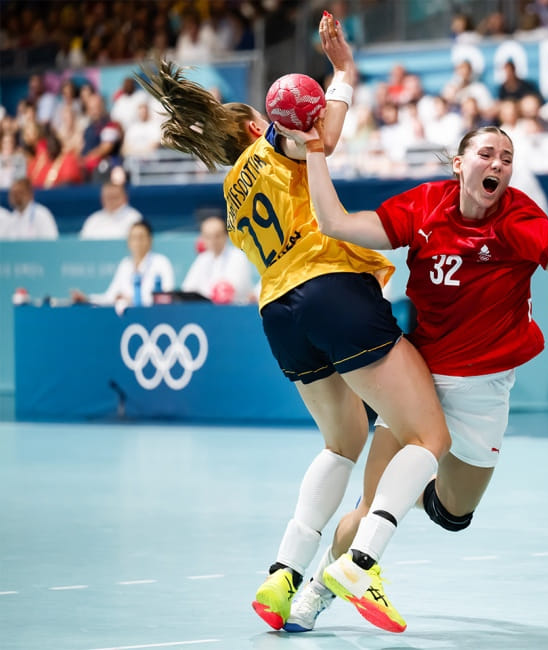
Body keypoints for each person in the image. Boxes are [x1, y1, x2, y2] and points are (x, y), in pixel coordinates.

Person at [138, 12, 451, 635]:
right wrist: (342, 71)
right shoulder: (272, 145)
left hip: (279, 314)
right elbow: (318, 130)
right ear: (258, 127)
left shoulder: (232, 191)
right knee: (428, 437)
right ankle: (362, 562)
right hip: (330, 289)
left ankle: (283, 573)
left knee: (343, 442)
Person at [274, 110, 548, 631]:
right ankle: (315, 592)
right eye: (487, 154)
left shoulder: (519, 216)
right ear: (460, 163)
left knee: (454, 515)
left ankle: (406, 489)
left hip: (484, 391)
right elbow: (334, 223)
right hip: (416, 381)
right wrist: (314, 150)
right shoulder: (425, 204)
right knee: (369, 507)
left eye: (507, 158)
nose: (498, 164)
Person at [69, 220, 174, 308]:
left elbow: (166, 297)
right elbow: (110, 297)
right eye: (133, 238)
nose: (137, 242)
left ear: (150, 240)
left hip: (152, 316)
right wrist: (87, 299)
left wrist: (132, 300)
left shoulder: (161, 262)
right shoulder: (125, 265)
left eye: (141, 237)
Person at [181, 214, 254, 303]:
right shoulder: (202, 258)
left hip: (234, 308)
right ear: (202, 238)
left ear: (225, 235)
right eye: (208, 237)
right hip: (206, 308)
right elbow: (187, 289)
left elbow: (230, 290)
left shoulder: (238, 256)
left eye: (217, 236)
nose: (213, 241)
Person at [78, 182, 144, 240]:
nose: (110, 201)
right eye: (107, 197)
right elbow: (82, 242)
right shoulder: (94, 219)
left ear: (125, 198)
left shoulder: (134, 218)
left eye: (114, 197)